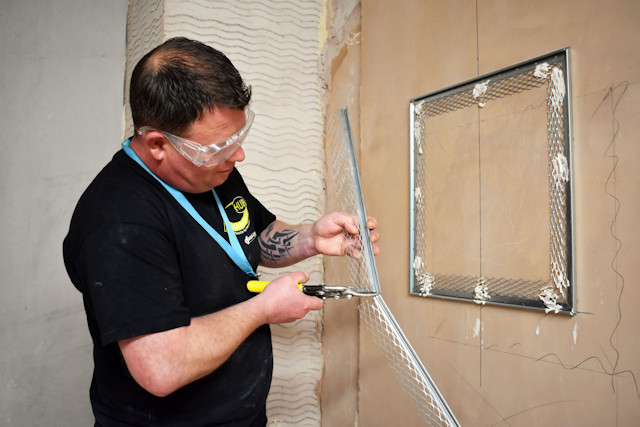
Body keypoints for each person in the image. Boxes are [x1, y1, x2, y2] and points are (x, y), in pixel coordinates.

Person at [63, 37, 379, 426]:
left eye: (238, 138)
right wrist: (264, 310)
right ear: (158, 144)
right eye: (219, 146)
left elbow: (252, 238)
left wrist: (311, 238)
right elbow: (161, 367)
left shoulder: (210, 170)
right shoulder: (118, 223)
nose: (238, 155)